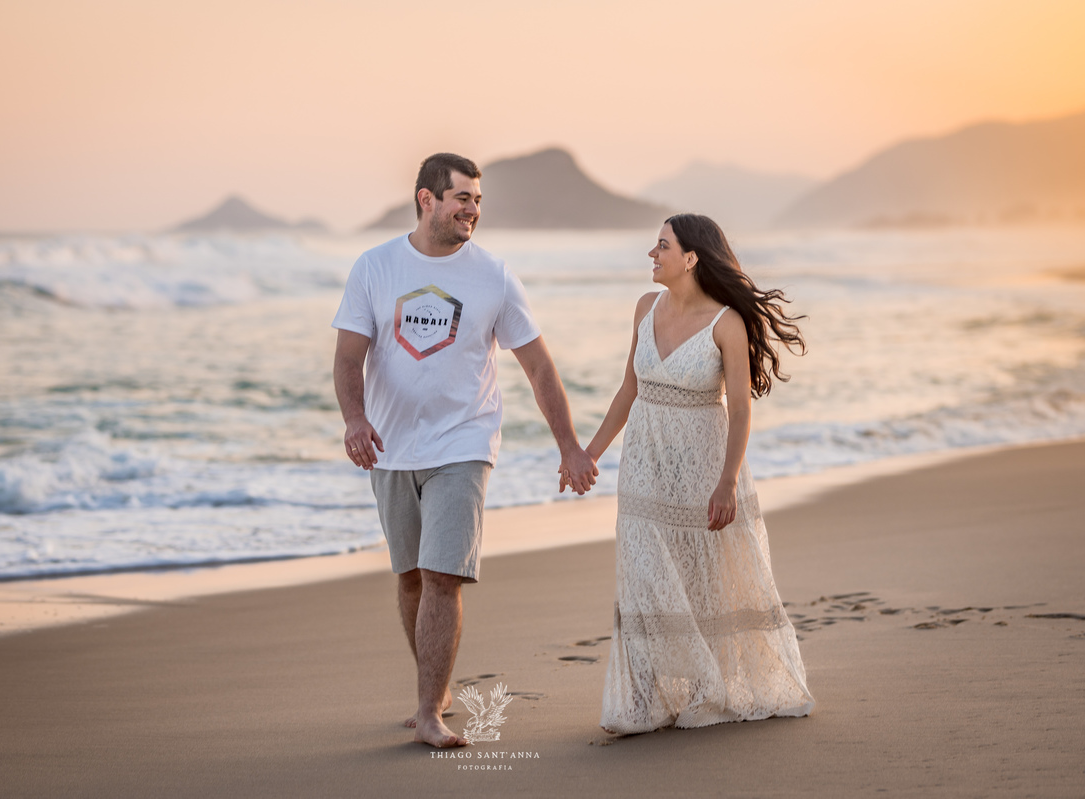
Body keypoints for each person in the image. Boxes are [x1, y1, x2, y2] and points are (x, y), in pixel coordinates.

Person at [332, 153, 598, 748]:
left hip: (464, 441)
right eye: (462, 199)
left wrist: (569, 446)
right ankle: (437, 685)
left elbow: (538, 366)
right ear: (428, 200)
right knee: (409, 578)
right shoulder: (374, 268)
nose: (473, 209)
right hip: (392, 447)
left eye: (478, 199)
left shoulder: (494, 276)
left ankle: (429, 710)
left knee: (441, 575)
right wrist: (355, 420)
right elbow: (349, 357)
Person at [582, 213, 815, 735]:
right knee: (642, 575)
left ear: (690, 258)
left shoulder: (725, 323)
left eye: (661, 245)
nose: (652, 253)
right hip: (644, 466)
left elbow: (741, 410)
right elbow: (628, 391)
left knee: (703, 578)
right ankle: (642, 699)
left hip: (702, 468)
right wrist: (590, 452)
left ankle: (708, 686)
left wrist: (728, 481)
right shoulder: (645, 309)